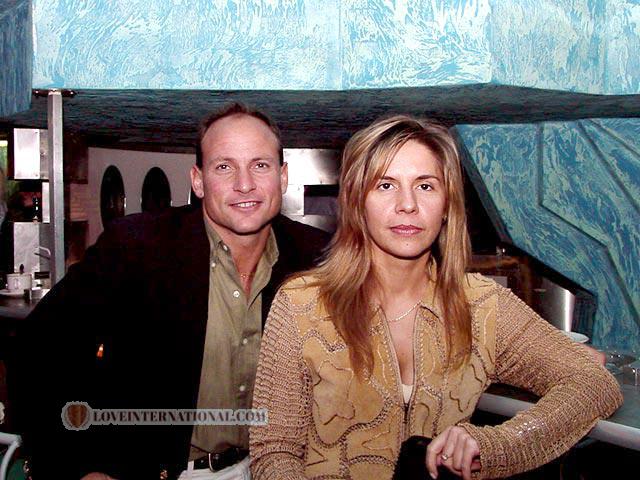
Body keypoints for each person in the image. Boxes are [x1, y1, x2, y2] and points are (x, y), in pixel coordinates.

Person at [249, 115, 623, 480]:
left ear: (447, 206)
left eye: (425, 186)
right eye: (385, 185)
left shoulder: (481, 305)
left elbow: (594, 383)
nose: (407, 204)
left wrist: (495, 445)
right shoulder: (303, 304)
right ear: (357, 202)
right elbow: (274, 450)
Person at [9, 102, 330, 480]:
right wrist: (79, 467)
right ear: (198, 181)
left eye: (260, 165)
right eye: (224, 167)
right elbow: (36, 350)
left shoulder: (316, 256)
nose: (244, 183)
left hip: (275, 468)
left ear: (283, 176)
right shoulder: (137, 247)